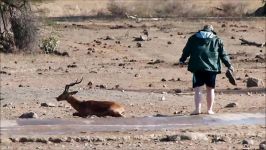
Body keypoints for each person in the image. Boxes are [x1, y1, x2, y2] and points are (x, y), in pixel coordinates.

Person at [179, 25, 234, 115]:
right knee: (210, 89)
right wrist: (229, 65)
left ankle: (197, 109)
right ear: (212, 31)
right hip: (212, 68)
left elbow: (186, 51)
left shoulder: (193, 38)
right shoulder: (217, 39)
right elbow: (223, 54)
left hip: (197, 67)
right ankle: (209, 110)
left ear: (202, 29)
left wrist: (182, 60)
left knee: (197, 89)